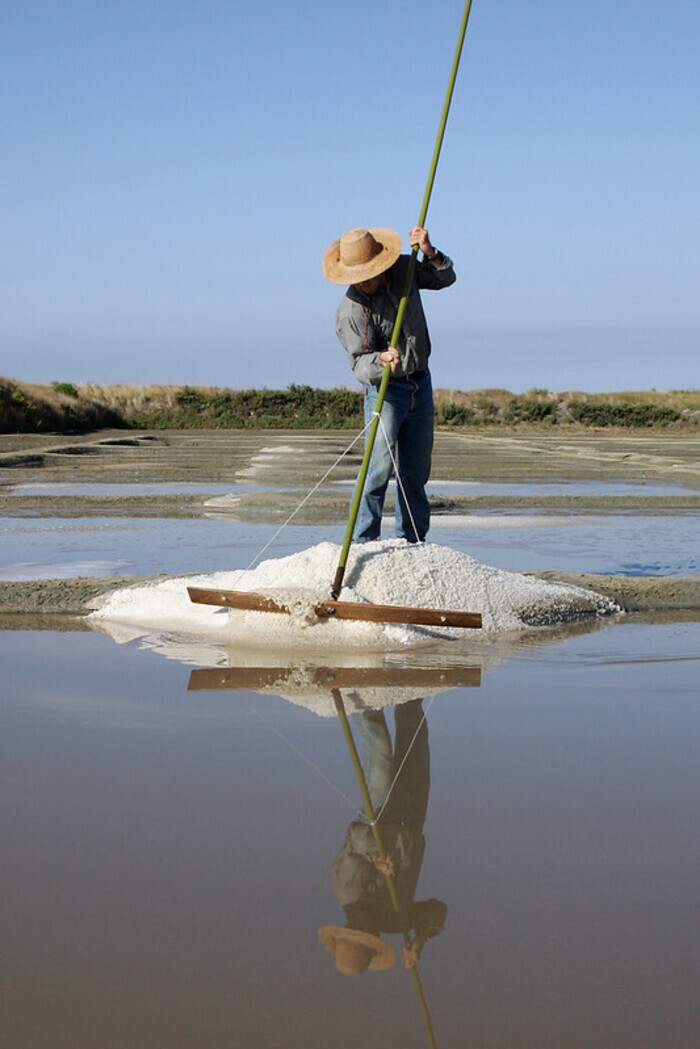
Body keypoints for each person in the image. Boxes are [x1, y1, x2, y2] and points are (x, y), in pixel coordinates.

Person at [322, 225, 456, 542]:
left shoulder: (403, 270)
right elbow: (359, 365)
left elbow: (444, 278)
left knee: (415, 472)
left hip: (420, 383)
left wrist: (429, 252)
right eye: (359, 277)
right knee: (377, 470)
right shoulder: (349, 312)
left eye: (370, 273)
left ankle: (412, 541)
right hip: (386, 392)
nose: (366, 281)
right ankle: (363, 542)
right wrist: (381, 360)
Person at [318, 699, 447, 976]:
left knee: (380, 751)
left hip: (381, 813)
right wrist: (420, 940)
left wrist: (376, 858)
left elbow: (357, 837)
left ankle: (360, 695)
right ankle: (411, 691)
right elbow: (437, 911)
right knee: (415, 734)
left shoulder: (346, 890)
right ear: (374, 939)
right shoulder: (396, 920)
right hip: (413, 818)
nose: (368, 927)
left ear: (350, 927)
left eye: (360, 930)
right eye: (370, 934)